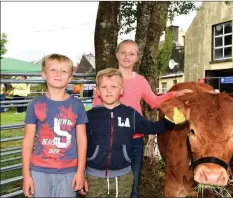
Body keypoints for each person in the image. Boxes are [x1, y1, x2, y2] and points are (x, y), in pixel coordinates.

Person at [92, 39, 193, 198]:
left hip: (135, 140)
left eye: (131, 53)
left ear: (137, 57)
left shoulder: (140, 81)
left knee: (132, 183)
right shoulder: (107, 79)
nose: (127, 56)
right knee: (106, 184)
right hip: (112, 140)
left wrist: (173, 94)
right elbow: (97, 110)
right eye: (123, 52)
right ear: (117, 54)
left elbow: (154, 102)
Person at [85, 68, 178, 197]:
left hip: (123, 177)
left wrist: (171, 120)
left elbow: (151, 127)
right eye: (104, 86)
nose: (109, 90)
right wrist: (81, 173)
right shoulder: (89, 116)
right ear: (98, 92)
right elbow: (80, 145)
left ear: (121, 90)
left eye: (113, 86)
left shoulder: (130, 114)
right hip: (93, 177)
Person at [21, 54, 88, 197]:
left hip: (68, 171)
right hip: (40, 170)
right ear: (44, 74)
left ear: (69, 78)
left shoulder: (77, 105)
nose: (58, 74)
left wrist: (81, 171)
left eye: (64, 71)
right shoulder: (35, 104)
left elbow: (82, 140)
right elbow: (27, 142)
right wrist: (26, 175)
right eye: (53, 70)